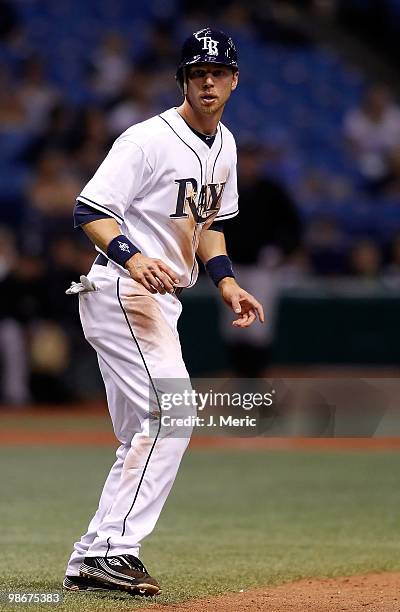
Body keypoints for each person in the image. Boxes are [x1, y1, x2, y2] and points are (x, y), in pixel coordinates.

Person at [63, 28, 264, 596]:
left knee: (141, 436)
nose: (207, 80)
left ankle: (90, 561)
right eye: (197, 71)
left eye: (218, 72)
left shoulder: (224, 146)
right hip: (125, 292)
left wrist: (226, 281)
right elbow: (90, 209)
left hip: (156, 301)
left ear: (233, 81)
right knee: (173, 417)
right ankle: (112, 551)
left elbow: (209, 224)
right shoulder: (147, 140)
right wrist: (131, 257)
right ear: (183, 79)